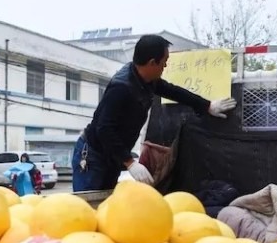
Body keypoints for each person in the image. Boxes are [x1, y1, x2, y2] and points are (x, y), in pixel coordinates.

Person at [72, 34, 237, 192]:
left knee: (105, 207)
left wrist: (207, 106)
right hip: (94, 157)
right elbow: (104, 128)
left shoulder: (146, 80)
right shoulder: (121, 88)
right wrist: (130, 162)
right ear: (152, 63)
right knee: (86, 206)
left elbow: (173, 91)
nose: (165, 67)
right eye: (164, 62)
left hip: (112, 157)